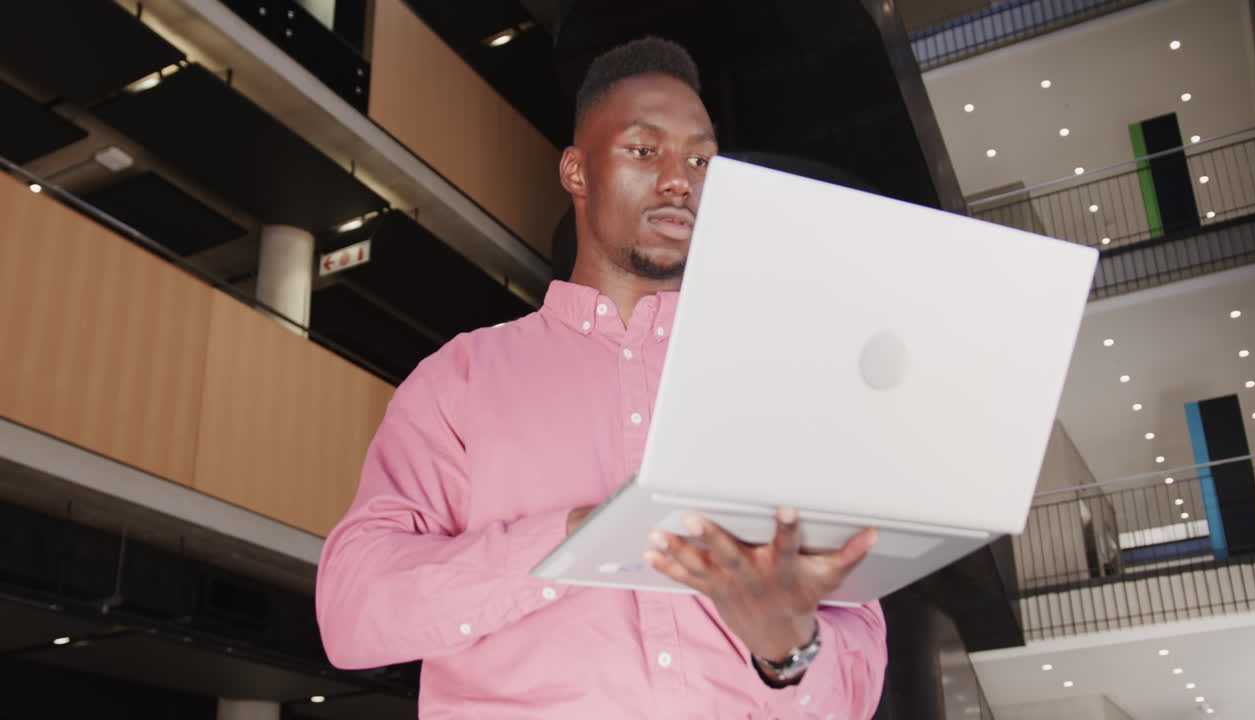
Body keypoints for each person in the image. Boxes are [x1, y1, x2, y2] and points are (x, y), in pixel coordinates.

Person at [316, 37, 887, 719]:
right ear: (576, 171)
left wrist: (786, 649)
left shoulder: (779, 390)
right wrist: (578, 537)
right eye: (645, 151)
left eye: (700, 159)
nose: (680, 180)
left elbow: (860, 674)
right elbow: (353, 611)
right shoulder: (460, 380)